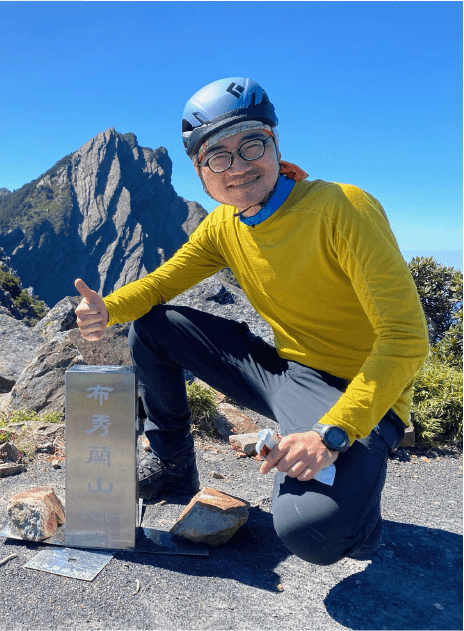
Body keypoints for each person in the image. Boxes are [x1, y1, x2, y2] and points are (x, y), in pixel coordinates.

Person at [72, 77, 428, 565]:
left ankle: (357, 510)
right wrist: (107, 308)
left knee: (313, 534)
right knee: (153, 327)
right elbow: (159, 286)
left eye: (251, 145)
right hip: (284, 373)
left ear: (275, 144)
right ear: (201, 171)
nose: (237, 167)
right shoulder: (224, 225)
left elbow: (406, 338)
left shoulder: (343, 209)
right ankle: (175, 467)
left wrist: (333, 433)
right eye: (217, 156)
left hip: (358, 392)